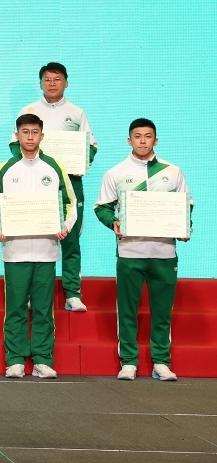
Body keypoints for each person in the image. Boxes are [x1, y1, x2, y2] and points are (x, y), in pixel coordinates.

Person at [93, 118, 191, 381]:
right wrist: (113, 222)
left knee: (162, 312)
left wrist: (185, 227)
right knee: (127, 311)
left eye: (148, 136)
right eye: (137, 136)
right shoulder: (115, 173)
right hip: (130, 252)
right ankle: (129, 362)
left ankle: (161, 362)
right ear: (129, 140)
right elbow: (102, 207)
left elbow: (186, 205)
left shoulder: (173, 172)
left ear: (155, 140)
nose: (143, 141)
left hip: (164, 253)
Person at [0, 114, 76, 379]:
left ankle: (42, 359)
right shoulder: (5, 169)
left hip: (46, 250)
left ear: (42, 135)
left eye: (34, 132)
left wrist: (64, 226)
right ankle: (14, 359)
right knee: (15, 307)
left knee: (43, 309)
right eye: (25, 132)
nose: (29, 137)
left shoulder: (54, 166)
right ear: (17, 135)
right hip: (15, 251)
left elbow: (69, 202)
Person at [13, 62, 97, 312]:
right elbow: (14, 144)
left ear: (66, 83)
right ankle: (30, 294)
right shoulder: (28, 110)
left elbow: (91, 146)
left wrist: (82, 162)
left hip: (69, 184)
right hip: (34, 185)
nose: (52, 83)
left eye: (57, 79)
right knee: (34, 239)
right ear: (41, 83)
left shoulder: (76, 113)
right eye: (47, 79)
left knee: (70, 238)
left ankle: (73, 293)